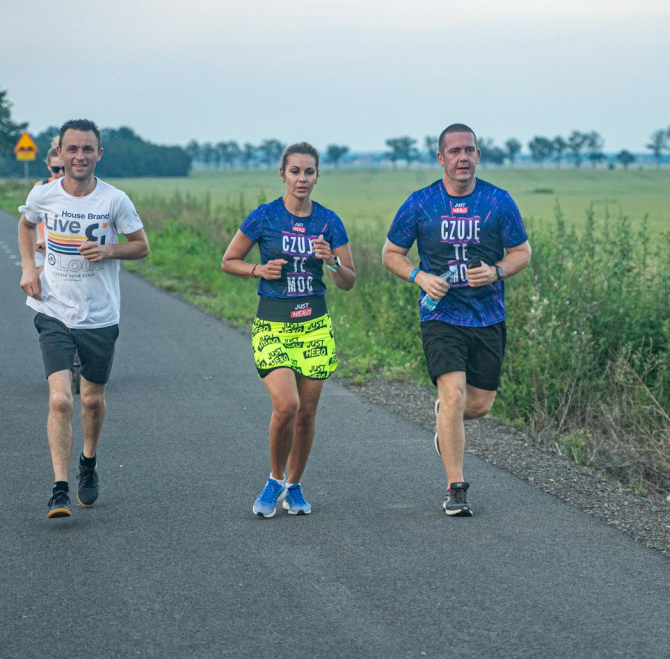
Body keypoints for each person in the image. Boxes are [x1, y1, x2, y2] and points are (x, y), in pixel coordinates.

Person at [381, 123, 531, 516]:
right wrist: (419, 276)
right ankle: (456, 488)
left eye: (470, 150)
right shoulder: (420, 203)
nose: (462, 157)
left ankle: (445, 425)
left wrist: (497, 271)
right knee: (453, 395)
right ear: (441, 158)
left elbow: (522, 252)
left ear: (478, 156)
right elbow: (391, 253)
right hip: (441, 315)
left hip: (487, 316)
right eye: (455, 151)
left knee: (477, 406)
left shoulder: (498, 202)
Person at [17, 118, 150, 518]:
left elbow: (141, 247)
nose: (79, 156)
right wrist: (28, 269)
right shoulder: (45, 195)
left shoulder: (115, 201)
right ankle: (59, 489)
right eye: (71, 149)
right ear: (59, 153)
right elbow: (25, 225)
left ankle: (87, 463)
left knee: (90, 399)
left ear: (98, 154)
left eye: (87, 149)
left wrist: (108, 251)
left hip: (100, 315)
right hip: (54, 309)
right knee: (61, 399)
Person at [221, 142, 356, 518]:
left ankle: (294, 486)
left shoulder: (329, 221)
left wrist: (331, 261)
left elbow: (348, 281)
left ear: (317, 176)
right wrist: (257, 270)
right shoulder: (264, 217)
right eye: (295, 171)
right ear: (283, 174)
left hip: (314, 326)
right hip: (273, 325)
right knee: (287, 405)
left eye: (309, 172)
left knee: (307, 413)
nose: (302, 178)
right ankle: (274, 478)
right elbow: (229, 260)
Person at [34, 140, 65, 263]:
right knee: (40, 279)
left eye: (64, 168)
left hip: (64, 247)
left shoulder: (77, 189)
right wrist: (40, 239)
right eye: (56, 169)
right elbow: (31, 218)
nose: (61, 173)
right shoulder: (42, 186)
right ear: (48, 166)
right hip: (43, 246)